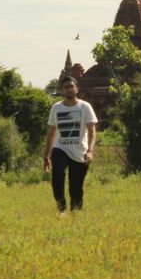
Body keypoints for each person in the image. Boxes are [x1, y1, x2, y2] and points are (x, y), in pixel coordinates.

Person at [44, 76, 97, 215]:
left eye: (71, 86)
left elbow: (92, 130)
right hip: (60, 148)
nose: (69, 89)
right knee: (57, 176)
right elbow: (51, 133)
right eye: (66, 87)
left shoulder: (85, 107)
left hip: (80, 152)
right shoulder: (56, 108)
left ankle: (76, 213)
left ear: (77, 89)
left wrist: (90, 151)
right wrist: (46, 156)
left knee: (76, 187)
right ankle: (61, 209)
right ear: (62, 91)